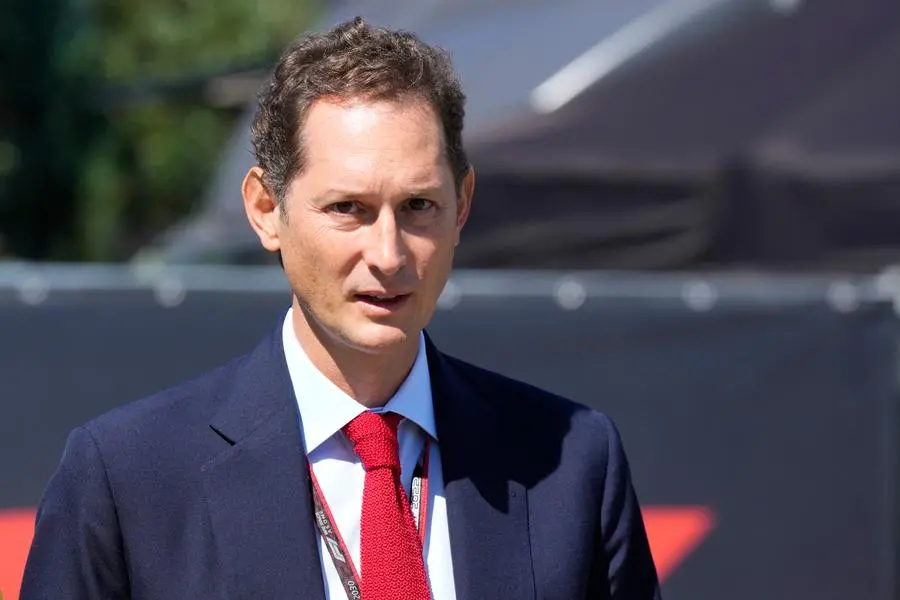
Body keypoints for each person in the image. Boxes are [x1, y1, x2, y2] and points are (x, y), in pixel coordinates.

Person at [20, 17, 661, 600]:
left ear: (462, 204)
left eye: (418, 206)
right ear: (266, 210)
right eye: (347, 208)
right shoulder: (128, 478)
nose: (388, 254)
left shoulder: (572, 463)